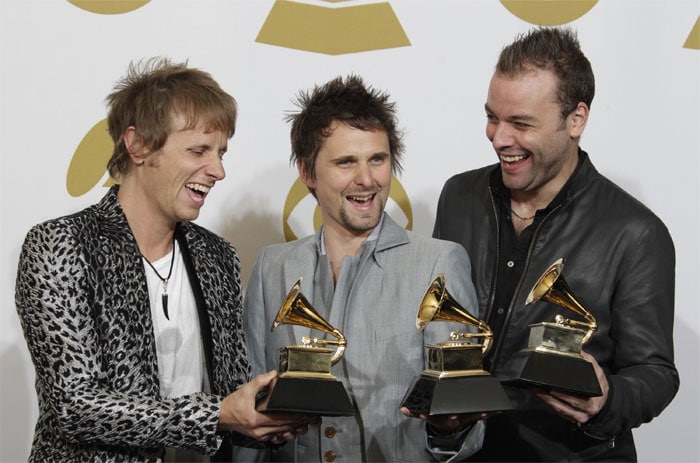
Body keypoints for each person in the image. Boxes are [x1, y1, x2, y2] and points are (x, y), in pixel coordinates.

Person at [14, 57, 313, 462]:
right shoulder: (61, 244)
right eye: (198, 151)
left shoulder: (216, 256)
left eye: (221, 152)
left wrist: (267, 420)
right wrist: (217, 414)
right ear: (137, 145)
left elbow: (228, 399)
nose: (218, 170)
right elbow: (75, 405)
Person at [433, 27, 679, 461]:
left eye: (521, 123)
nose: (499, 138)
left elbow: (655, 372)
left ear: (576, 119)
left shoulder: (637, 232)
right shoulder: (459, 196)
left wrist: (607, 401)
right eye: (493, 116)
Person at [243, 75, 485, 461]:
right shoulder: (272, 268)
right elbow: (249, 419)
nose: (367, 179)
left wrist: (449, 428)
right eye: (345, 162)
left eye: (378, 159)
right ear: (307, 172)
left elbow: (467, 435)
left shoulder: (439, 262)